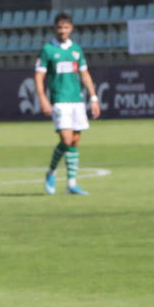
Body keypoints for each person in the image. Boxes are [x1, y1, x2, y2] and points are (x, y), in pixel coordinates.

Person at [35, 11, 100, 197]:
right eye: (59, 28)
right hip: (59, 101)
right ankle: (51, 172)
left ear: (71, 29)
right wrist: (42, 99)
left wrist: (93, 98)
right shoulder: (48, 50)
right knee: (66, 139)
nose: (62, 31)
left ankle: (72, 184)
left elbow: (84, 74)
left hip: (77, 101)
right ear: (54, 29)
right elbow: (39, 76)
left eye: (65, 28)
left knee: (75, 141)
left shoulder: (76, 50)